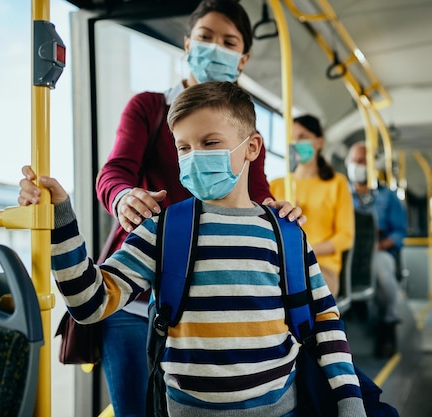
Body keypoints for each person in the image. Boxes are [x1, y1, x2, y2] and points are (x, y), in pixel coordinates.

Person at [19, 81, 367, 417]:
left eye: (210, 142)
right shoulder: (163, 230)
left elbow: (325, 322)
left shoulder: (286, 234)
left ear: (252, 147)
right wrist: (62, 217)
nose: (195, 157)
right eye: (184, 148)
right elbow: (89, 303)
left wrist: (349, 401)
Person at [91, 1, 306, 415]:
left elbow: (256, 192)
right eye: (205, 37)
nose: (215, 47)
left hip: (204, 293)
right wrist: (123, 197)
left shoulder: (244, 129)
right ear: (187, 43)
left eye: (228, 42)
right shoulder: (149, 108)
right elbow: (115, 172)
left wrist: (281, 221)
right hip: (135, 294)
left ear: (242, 59)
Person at [269, 115, 354, 297]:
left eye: (303, 137)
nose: (295, 142)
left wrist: (304, 251)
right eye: (292, 137)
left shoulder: (336, 183)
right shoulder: (276, 185)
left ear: (319, 142)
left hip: (322, 266)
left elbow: (345, 237)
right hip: (280, 264)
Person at [345, 141, 407, 358]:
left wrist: (378, 244)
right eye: (353, 161)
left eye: (361, 161)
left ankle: (388, 323)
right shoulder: (341, 194)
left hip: (379, 250)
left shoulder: (388, 196)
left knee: (381, 270)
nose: (356, 165)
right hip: (348, 252)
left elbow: (399, 232)